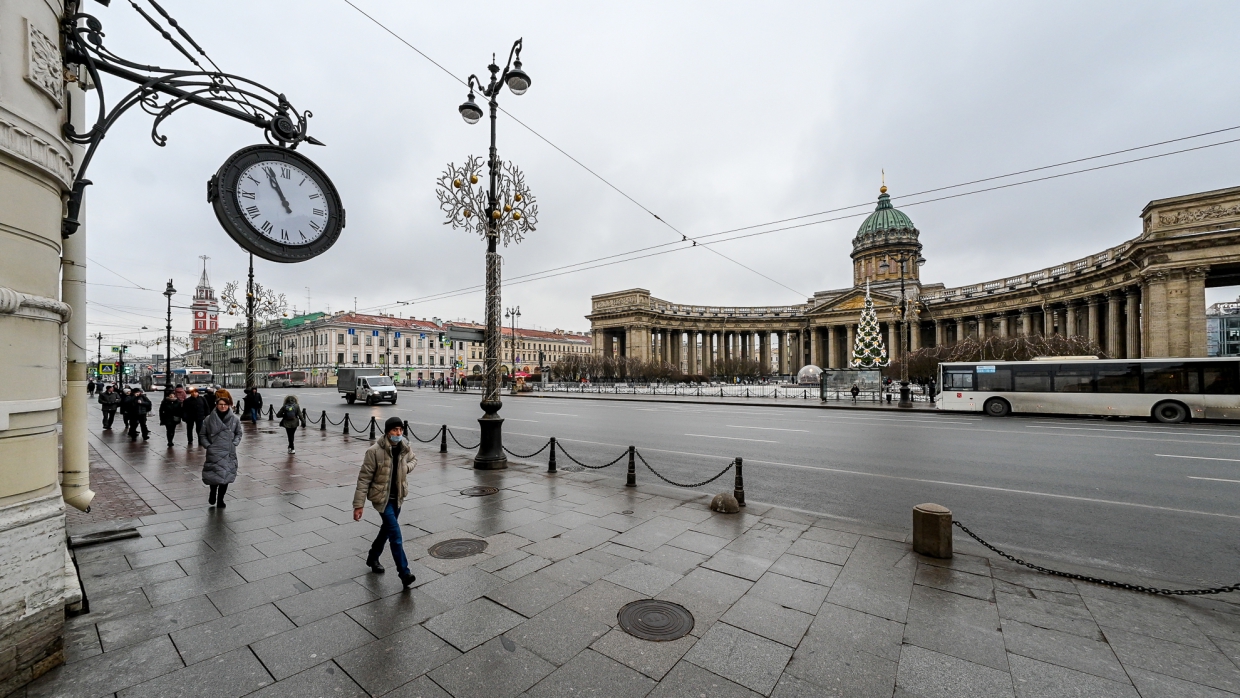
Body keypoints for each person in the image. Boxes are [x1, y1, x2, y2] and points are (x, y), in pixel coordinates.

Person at [353, 416, 417, 588]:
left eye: (400, 430)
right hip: (382, 499)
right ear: (388, 431)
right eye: (395, 430)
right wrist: (358, 505)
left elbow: (413, 460)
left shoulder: (404, 447)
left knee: (386, 530)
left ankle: (373, 557)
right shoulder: (374, 451)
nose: (399, 433)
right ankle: (404, 573)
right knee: (395, 535)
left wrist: (406, 468)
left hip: (398, 497)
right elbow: (364, 479)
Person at [201, 389, 242, 508]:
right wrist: (208, 445)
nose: (223, 407)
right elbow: (202, 434)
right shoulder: (209, 419)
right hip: (214, 451)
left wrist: (234, 443)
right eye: (220, 404)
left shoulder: (235, 419)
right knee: (214, 475)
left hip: (229, 451)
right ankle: (213, 492)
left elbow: (239, 433)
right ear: (216, 405)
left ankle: (220, 499)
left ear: (228, 405)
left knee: (225, 476)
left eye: (225, 404)